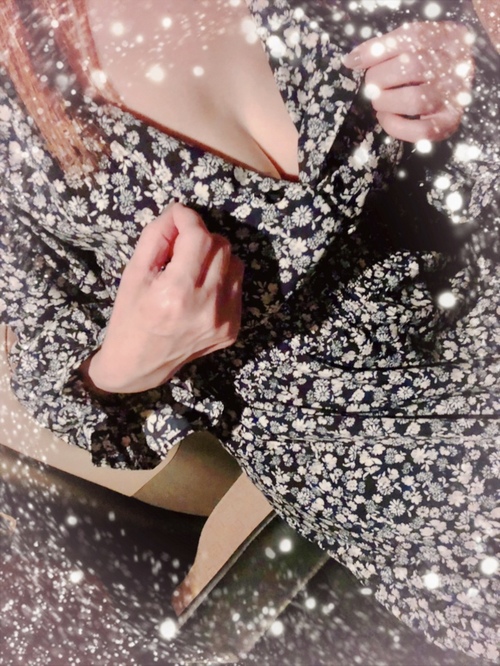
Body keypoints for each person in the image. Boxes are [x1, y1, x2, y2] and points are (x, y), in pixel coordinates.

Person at [0, 0, 498, 660]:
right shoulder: (16, 100)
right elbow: (44, 361)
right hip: (378, 463)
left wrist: (464, 59)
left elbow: (457, 38)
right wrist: (129, 360)